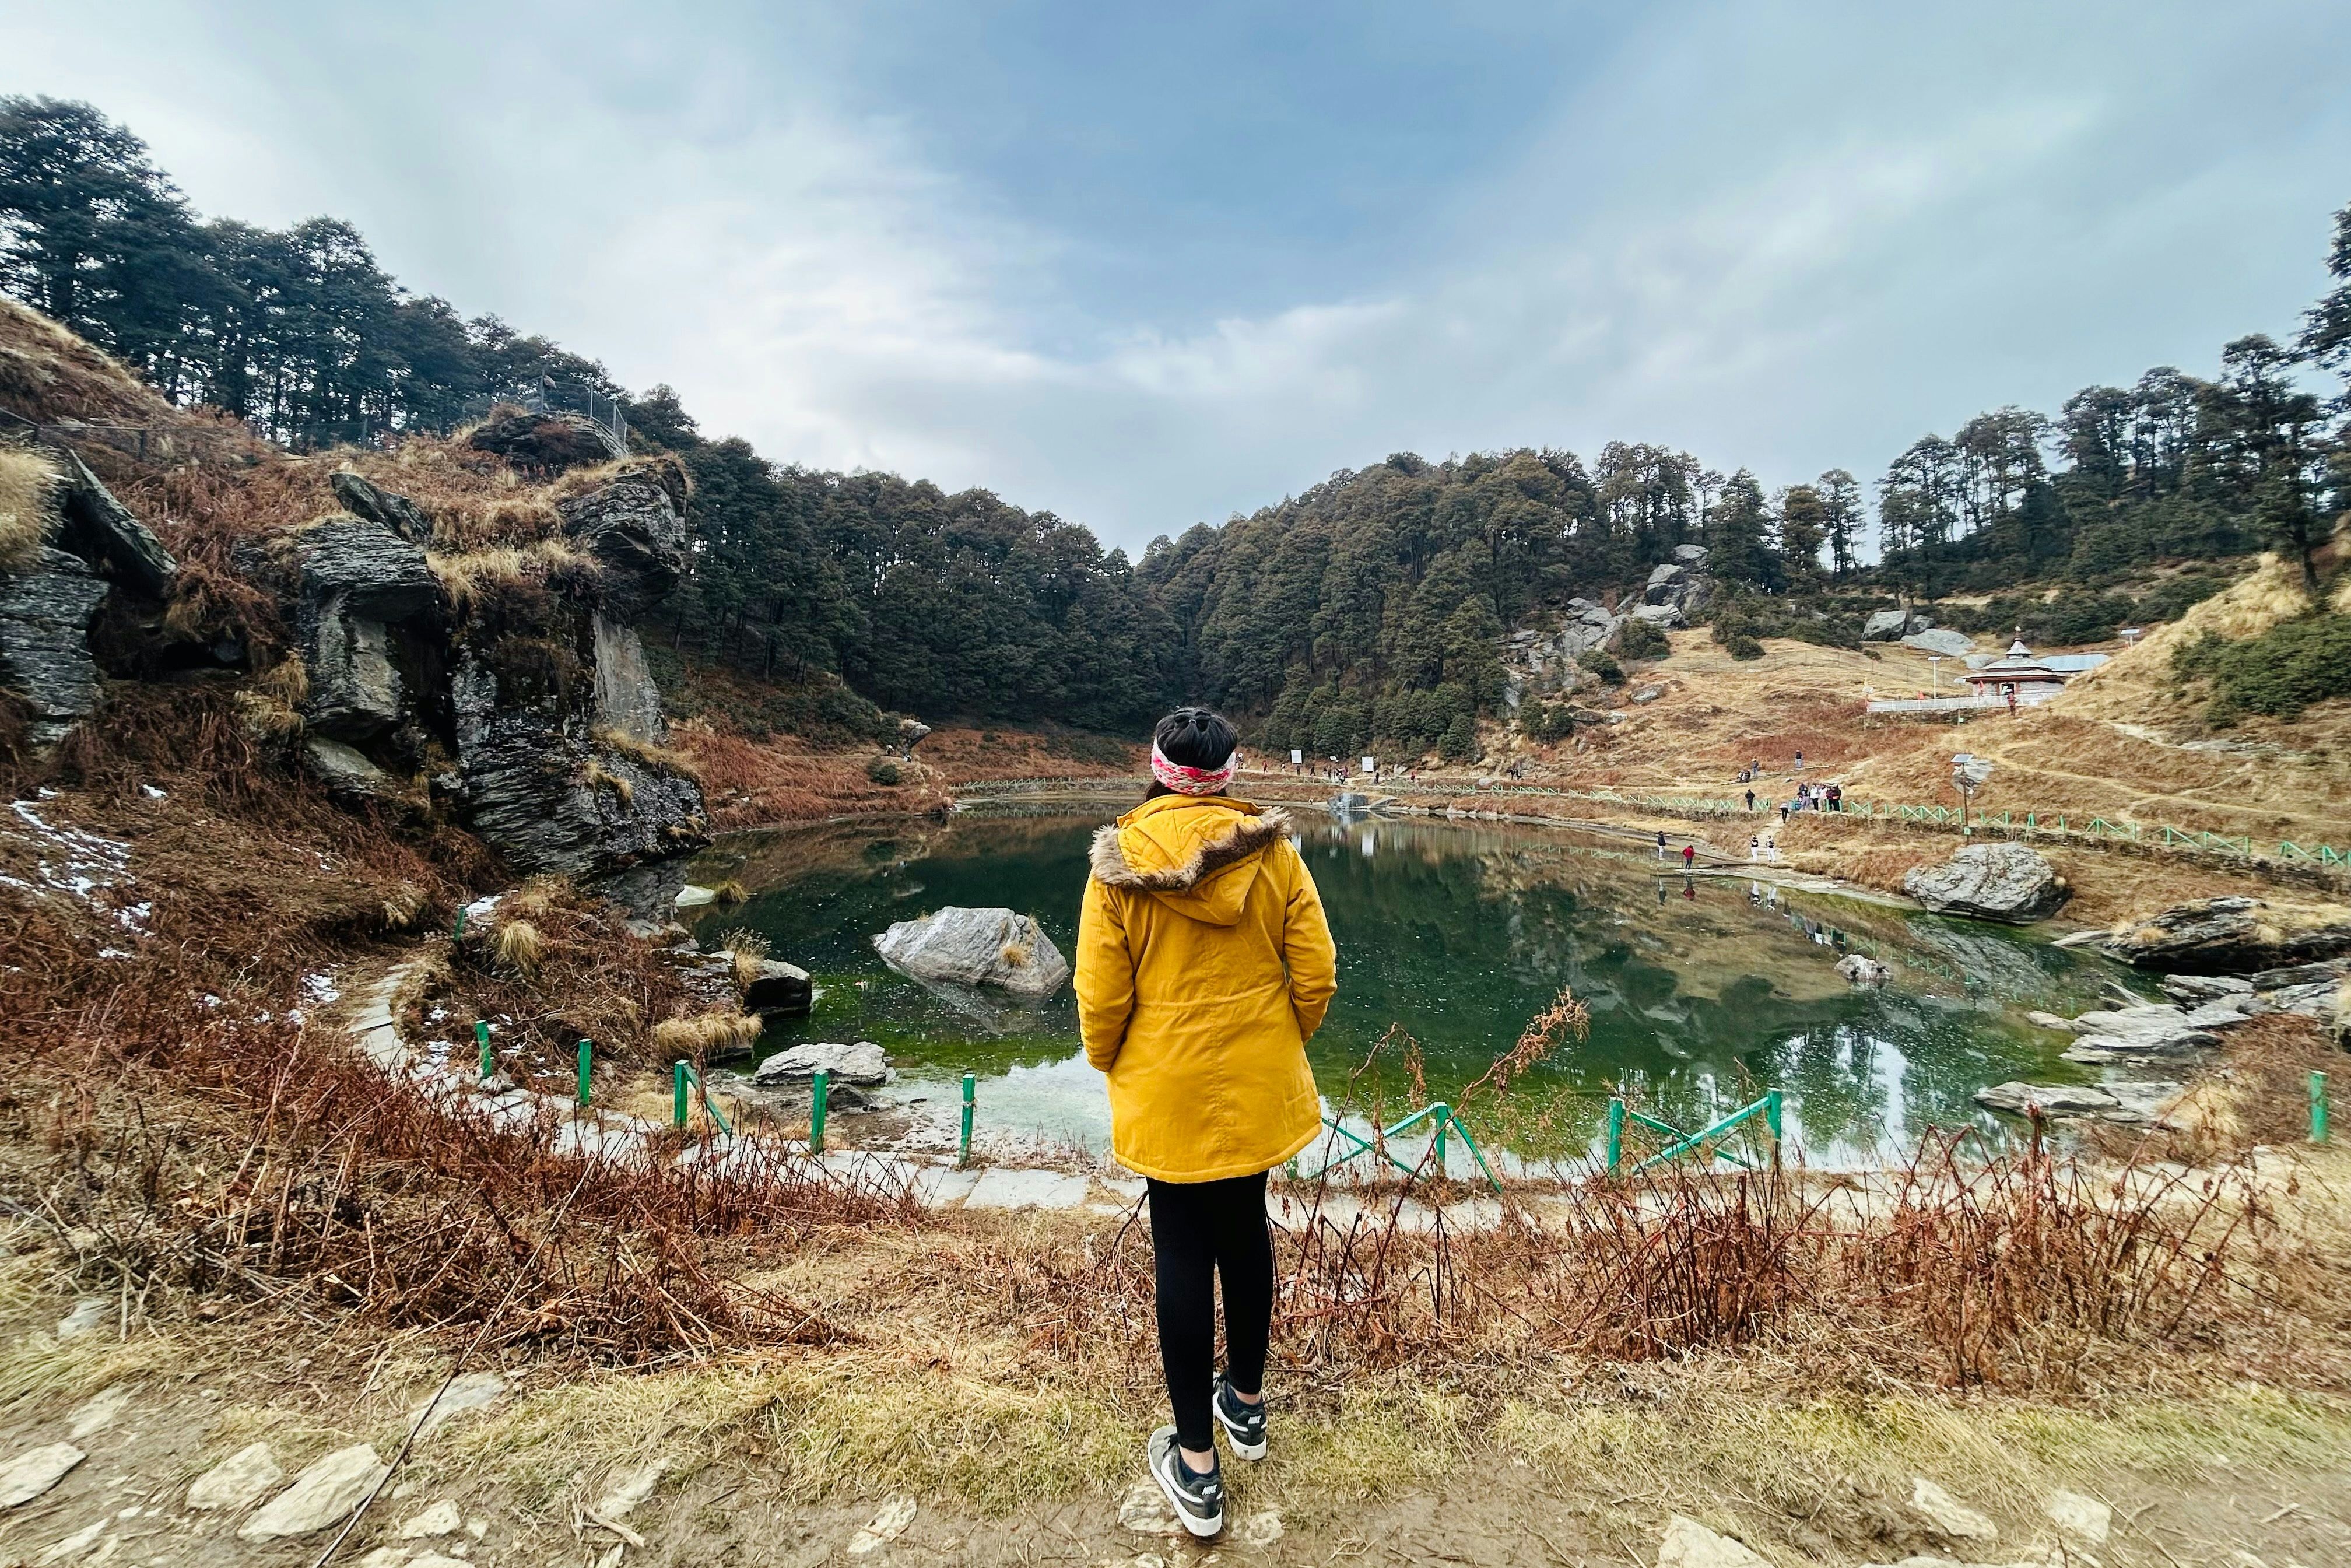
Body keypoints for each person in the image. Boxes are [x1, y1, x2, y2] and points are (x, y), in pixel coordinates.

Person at [1075, 707, 1338, 1539]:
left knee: (1182, 1254)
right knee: (1246, 1233)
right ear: (1228, 774)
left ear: (1154, 767)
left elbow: (1101, 999)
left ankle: (1195, 1467)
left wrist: (1115, 1060)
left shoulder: (1116, 864)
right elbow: (1318, 973)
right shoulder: (1275, 853)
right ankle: (1247, 1408)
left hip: (1167, 1090)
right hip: (1254, 1085)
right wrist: (1276, 1041)